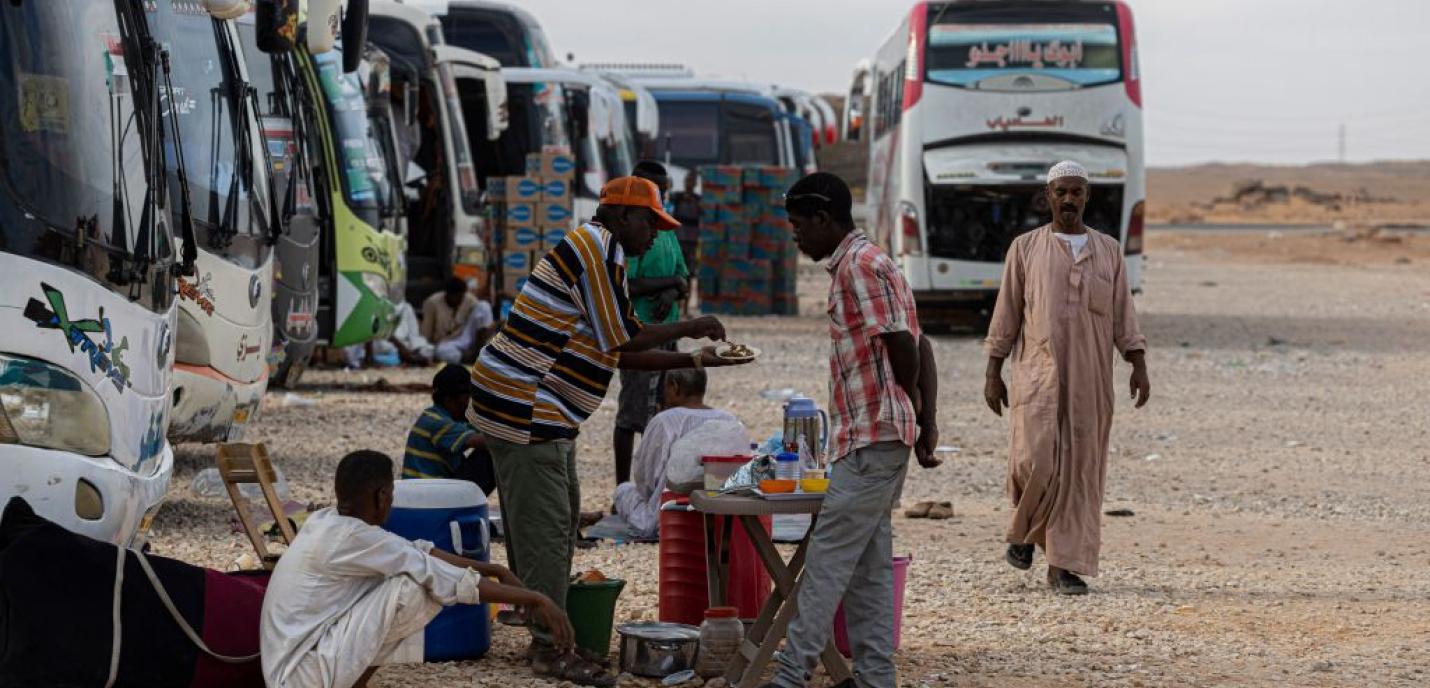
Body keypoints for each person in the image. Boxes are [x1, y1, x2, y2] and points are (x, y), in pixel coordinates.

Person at [468, 175, 750, 686]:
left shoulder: (606, 258)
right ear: (621, 216)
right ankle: (549, 650)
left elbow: (619, 349)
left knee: (552, 520)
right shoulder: (596, 248)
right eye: (651, 223)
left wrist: (696, 358)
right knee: (547, 526)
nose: (656, 236)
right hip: (527, 404)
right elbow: (626, 338)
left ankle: (550, 630)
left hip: (530, 404)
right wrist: (691, 328)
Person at [763, 173, 939, 688]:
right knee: (868, 571)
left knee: (825, 567)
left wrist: (910, 409)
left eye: (799, 226)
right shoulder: (873, 262)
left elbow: (905, 345)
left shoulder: (859, 267)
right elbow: (919, 345)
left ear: (823, 219)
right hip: (874, 435)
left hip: (872, 436)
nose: (795, 237)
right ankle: (876, 678)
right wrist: (924, 421)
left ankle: (789, 676)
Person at [260, 450, 573, 688]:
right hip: (299, 674)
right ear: (381, 497)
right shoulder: (354, 536)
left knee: (416, 571)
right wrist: (536, 599)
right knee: (416, 585)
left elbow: (416, 550)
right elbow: (437, 574)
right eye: (391, 497)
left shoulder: (326, 521)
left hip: (292, 665)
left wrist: (495, 569)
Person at [984, 160, 1151, 596]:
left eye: (1077, 192)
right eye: (1062, 192)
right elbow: (1007, 313)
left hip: (1091, 380)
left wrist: (1138, 363)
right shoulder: (1024, 249)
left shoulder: (1109, 251)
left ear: (1087, 196)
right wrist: (993, 371)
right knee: (1033, 459)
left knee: (1080, 470)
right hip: (1037, 374)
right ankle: (1023, 532)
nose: (1069, 199)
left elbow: (1122, 315)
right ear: (1048, 196)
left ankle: (1064, 566)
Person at [614, 161, 689, 486]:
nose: (664, 196)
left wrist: (672, 291)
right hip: (640, 336)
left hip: (668, 330)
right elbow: (624, 283)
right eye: (658, 190)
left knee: (663, 412)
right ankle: (622, 487)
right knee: (632, 415)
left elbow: (684, 278)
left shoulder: (666, 231)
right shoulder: (631, 234)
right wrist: (668, 283)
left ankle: (652, 485)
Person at [613, 368, 743, 537]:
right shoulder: (730, 420)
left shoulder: (664, 421)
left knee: (623, 490)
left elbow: (645, 477)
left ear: (674, 387)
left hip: (669, 513)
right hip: (721, 510)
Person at [403, 364, 495, 495]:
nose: (471, 402)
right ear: (449, 400)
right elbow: (485, 442)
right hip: (429, 496)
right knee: (494, 452)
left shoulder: (447, 418)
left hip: (430, 492)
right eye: (468, 397)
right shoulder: (436, 422)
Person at [421, 276, 494, 364]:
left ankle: (482, 349)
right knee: (441, 352)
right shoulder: (432, 303)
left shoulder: (469, 299)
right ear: (447, 294)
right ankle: (469, 359)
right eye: (456, 296)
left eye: (461, 296)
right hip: (447, 343)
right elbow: (426, 333)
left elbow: (479, 318)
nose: (460, 299)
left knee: (484, 305)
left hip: (466, 336)